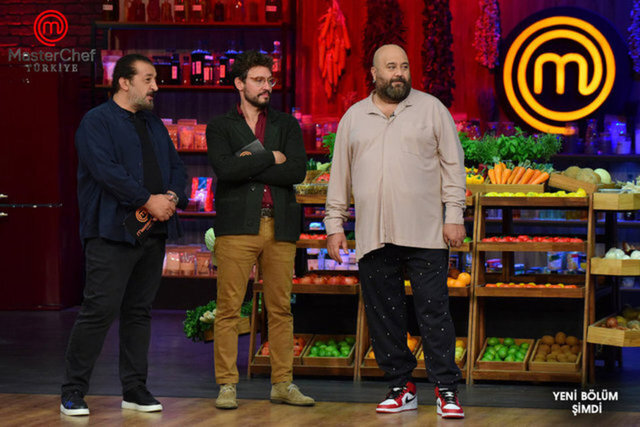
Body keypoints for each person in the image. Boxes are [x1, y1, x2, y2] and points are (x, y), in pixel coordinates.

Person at [325, 44, 466, 419]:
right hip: (373, 233)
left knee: (434, 312)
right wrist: (334, 225)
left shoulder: (432, 109)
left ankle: (446, 389)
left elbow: (453, 167)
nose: (399, 73)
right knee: (384, 315)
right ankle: (401, 386)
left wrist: (454, 214)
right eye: (390, 67)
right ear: (374, 73)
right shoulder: (354, 117)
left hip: (426, 232)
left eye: (404, 65)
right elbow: (340, 176)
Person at [60, 54, 187, 416]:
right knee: (98, 310)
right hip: (110, 233)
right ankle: (72, 390)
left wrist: (171, 197)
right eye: (148, 79)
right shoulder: (96, 122)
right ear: (124, 82)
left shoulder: (153, 124)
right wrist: (148, 199)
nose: (155, 87)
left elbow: (177, 168)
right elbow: (106, 172)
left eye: (155, 79)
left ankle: (134, 390)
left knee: (139, 312)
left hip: (153, 231)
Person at [206, 50, 314, 410]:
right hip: (237, 227)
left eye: (270, 80)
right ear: (239, 84)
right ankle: (227, 385)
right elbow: (225, 169)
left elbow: (296, 171)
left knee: (280, 309)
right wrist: (270, 157)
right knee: (229, 308)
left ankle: (282, 383)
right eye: (258, 80)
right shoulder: (221, 126)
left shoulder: (286, 124)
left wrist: (248, 162)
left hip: (280, 225)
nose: (267, 86)